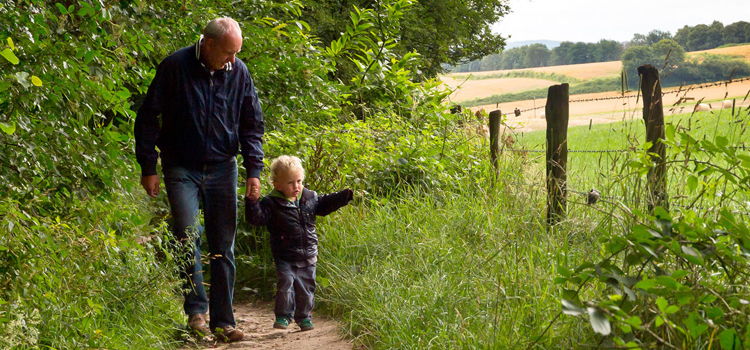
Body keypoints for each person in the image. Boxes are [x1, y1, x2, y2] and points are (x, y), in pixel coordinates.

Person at [134, 17, 265, 343]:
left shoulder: (239, 72)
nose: (232, 60)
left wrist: (254, 170)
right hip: (181, 168)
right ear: (206, 43)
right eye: (227, 52)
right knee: (187, 234)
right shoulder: (175, 66)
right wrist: (149, 166)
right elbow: (148, 116)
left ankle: (224, 322)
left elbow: (252, 123)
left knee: (223, 246)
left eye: (236, 53)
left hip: (224, 167)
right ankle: (196, 314)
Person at [245, 155, 352, 331]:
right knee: (285, 285)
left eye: (299, 181)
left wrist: (343, 197)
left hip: (308, 253)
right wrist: (252, 202)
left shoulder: (309, 197)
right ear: (277, 184)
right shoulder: (271, 203)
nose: (296, 186)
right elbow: (256, 219)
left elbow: (324, 205)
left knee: (306, 288)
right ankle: (283, 316)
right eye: (290, 183)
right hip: (284, 254)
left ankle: (304, 318)